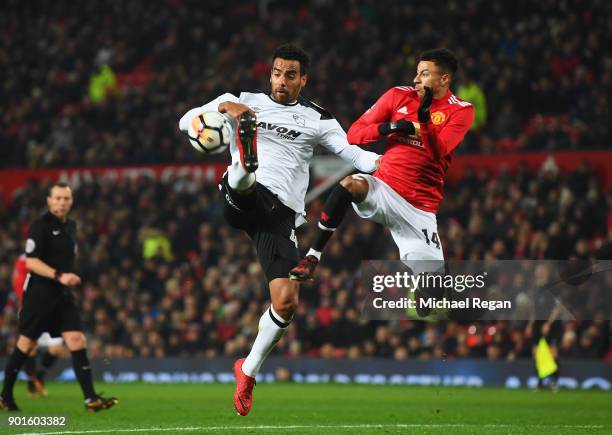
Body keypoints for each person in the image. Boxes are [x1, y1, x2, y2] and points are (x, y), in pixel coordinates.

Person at [179, 44, 379, 416]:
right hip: (244, 198)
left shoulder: (318, 118)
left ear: (304, 79)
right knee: (244, 182)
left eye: (290, 75)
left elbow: (354, 155)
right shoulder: (243, 99)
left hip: (280, 215)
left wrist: (387, 164)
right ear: (269, 73)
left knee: (286, 302)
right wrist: (224, 108)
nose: (281, 80)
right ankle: (244, 164)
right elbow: (185, 121)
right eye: (276, 72)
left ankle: (248, 369)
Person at [289, 48, 474, 281]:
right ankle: (312, 257)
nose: (416, 79)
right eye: (417, 73)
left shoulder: (461, 110)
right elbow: (354, 134)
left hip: (419, 208)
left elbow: (439, 152)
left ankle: (426, 285)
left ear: (444, 79)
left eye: (424, 74)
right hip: (384, 188)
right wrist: (391, 127)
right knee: (349, 184)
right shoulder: (398, 96)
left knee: (432, 299)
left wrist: (424, 119)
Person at [0, 183, 118, 412]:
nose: (62, 202)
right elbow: (31, 262)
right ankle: (4, 396)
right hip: (39, 293)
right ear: (49, 201)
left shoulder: (71, 226)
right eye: (58, 198)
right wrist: (59, 275)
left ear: (71, 202)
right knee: (26, 344)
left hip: (62, 294)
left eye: (66, 198)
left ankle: (90, 399)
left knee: (77, 340)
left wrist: (65, 279)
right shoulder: (40, 226)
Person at [12, 254, 64, 398]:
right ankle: (31, 386)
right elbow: (18, 283)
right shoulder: (24, 260)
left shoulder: (55, 255)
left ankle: (39, 378)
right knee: (30, 347)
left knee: (56, 348)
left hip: (52, 309)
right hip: (32, 308)